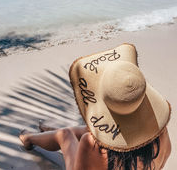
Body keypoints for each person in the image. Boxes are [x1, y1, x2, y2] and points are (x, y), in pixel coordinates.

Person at [19, 43, 171, 170]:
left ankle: (28, 138)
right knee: (89, 130)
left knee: (65, 135)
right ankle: (47, 131)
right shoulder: (160, 131)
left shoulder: (91, 144)